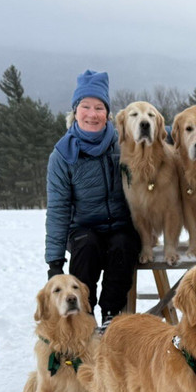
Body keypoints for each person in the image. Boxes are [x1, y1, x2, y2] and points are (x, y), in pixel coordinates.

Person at [44, 70, 141, 324]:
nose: (92, 114)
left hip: (122, 225)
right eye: (85, 106)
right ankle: (85, 317)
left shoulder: (124, 141)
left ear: (107, 113)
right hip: (84, 229)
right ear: (75, 111)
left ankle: (111, 316)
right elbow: (58, 208)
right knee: (87, 247)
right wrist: (54, 262)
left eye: (99, 107)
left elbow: (155, 134)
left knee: (123, 245)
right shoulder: (62, 155)